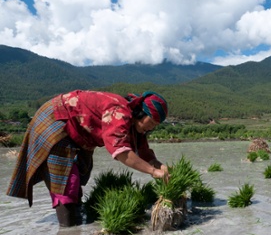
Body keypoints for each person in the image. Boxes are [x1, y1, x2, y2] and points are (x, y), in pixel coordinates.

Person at [6, 90, 169, 227]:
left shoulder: (135, 125)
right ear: (141, 113)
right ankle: (67, 229)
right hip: (57, 121)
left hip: (77, 133)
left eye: (156, 125)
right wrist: (153, 171)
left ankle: (76, 222)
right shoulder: (119, 111)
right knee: (66, 181)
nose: (152, 127)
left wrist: (159, 166)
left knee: (79, 176)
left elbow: (143, 152)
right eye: (152, 122)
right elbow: (121, 152)